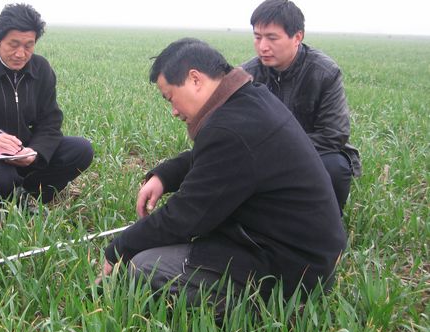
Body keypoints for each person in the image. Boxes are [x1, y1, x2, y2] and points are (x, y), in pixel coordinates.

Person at [97, 38, 347, 311]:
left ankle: (265, 309)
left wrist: (118, 249)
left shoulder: (230, 129)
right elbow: (213, 158)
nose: (174, 112)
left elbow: (184, 217)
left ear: (195, 79)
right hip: (297, 253)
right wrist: (165, 176)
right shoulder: (248, 100)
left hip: (291, 274)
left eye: (171, 98)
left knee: (145, 267)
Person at [0, 3, 93, 205]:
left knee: (81, 150)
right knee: (0, 177)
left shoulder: (41, 69)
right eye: (13, 45)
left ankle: (29, 193)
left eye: (28, 46)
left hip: (23, 152)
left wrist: (35, 152)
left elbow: (50, 122)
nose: (21, 54)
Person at [242, 0, 361, 212]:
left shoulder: (324, 72)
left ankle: (326, 221)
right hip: (261, 157)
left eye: (272, 38)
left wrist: (279, 149)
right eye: (257, 37)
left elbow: (334, 134)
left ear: (297, 37)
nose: (262, 47)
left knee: (335, 167)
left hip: (311, 154)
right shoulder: (246, 76)